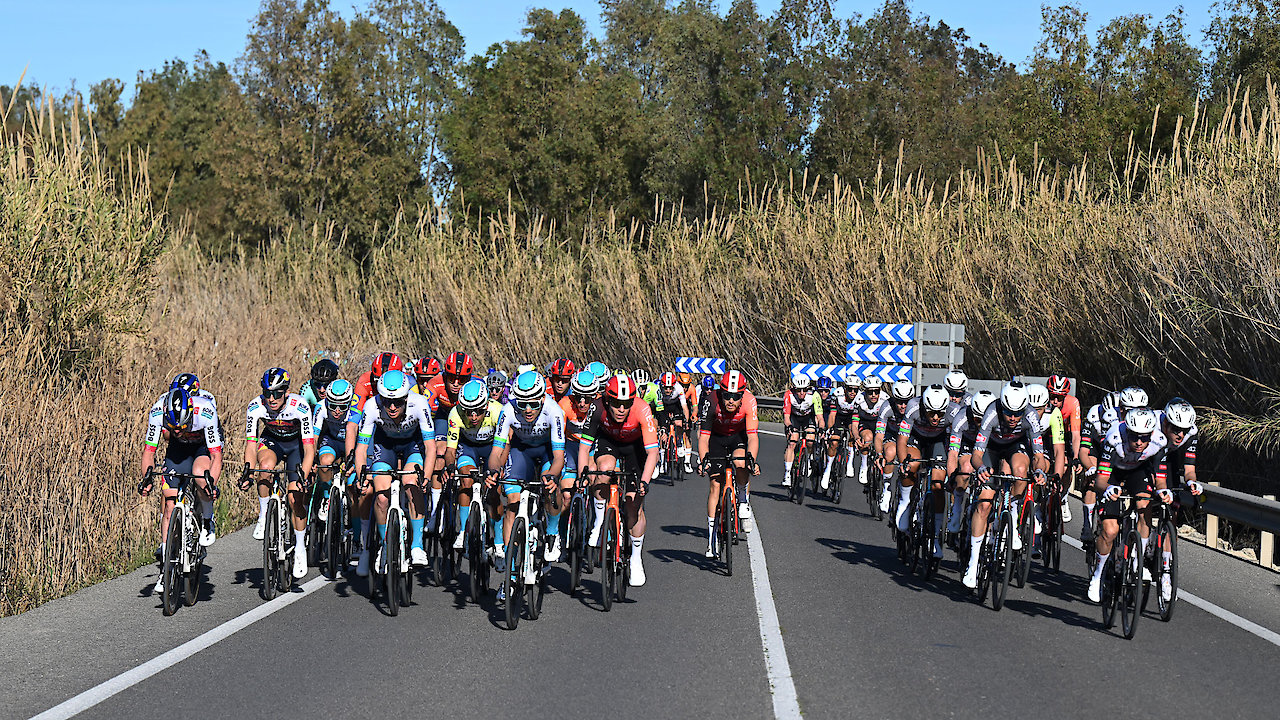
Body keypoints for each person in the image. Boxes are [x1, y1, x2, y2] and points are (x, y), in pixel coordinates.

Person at [488, 371, 566, 599]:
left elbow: (559, 457)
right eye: (523, 403)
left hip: (548, 454)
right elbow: (496, 452)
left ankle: (552, 533)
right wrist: (493, 470)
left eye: (533, 403)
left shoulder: (554, 411)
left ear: (542, 398)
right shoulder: (508, 411)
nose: (528, 409)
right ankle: (511, 576)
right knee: (512, 502)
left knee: (552, 489)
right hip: (522, 453)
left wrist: (552, 475)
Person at [138, 386, 224, 592]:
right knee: (169, 502)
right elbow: (149, 451)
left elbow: (216, 457)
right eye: (172, 426)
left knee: (200, 474)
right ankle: (166, 566)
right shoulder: (158, 411)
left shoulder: (205, 411)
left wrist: (211, 485)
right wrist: (146, 478)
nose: (177, 430)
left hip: (202, 447)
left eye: (182, 425)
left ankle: (207, 519)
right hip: (178, 450)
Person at [352, 370, 435, 576]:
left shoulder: (420, 404)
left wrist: (426, 476)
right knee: (381, 497)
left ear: (406, 397)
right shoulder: (372, 406)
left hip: (412, 446)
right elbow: (361, 448)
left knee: (411, 481)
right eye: (387, 401)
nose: (391, 407)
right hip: (385, 446)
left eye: (397, 402)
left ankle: (416, 545)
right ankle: (384, 544)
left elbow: (431, 447)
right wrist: (362, 475)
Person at [961, 383, 1044, 588]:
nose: (1013, 418)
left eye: (1018, 414)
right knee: (984, 504)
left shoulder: (1030, 415)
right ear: (1002, 407)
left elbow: (1039, 454)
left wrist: (1040, 470)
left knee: (1020, 472)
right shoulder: (991, 412)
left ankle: (1013, 513)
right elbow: (977, 455)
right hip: (991, 448)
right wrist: (980, 469)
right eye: (1008, 413)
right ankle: (973, 563)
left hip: (1015, 446)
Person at [579, 374, 659, 586]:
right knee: (602, 470)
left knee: (634, 507)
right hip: (609, 442)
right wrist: (582, 475)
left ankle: (635, 557)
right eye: (616, 404)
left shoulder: (642, 409)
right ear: (607, 401)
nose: (622, 409)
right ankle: (599, 520)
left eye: (626, 404)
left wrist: (644, 482)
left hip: (636, 448)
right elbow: (585, 447)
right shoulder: (596, 408)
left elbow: (653, 453)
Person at [240, 368, 316, 580]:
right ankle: (265, 514)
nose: (271, 398)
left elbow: (310, 449)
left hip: (296, 446)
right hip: (272, 441)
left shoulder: (299, 406)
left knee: (295, 498)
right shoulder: (256, 405)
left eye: (277, 393)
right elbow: (251, 445)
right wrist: (248, 470)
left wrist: (304, 475)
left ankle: (300, 547)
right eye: (267, 393)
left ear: (287, 392)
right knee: (264, 467)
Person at [1086, 408, 1168, 603]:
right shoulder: (1114, 437)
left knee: (1144, 505)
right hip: (1113, 473)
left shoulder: (1159, 442)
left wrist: (1163, 491)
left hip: (1138, 472)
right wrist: (1108, 489)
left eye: (1144, 438)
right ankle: (1097, 575)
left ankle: (1138, 561)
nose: (1139, 443)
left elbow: (1161, 479)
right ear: (1127, 432)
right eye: (1134, 438)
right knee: (1110, 530)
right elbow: (1100, 480)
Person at [698, 370, 759, 553]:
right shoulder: (711, 401)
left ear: (742, 395)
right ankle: (711, 538)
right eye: (727, 396)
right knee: (715, 484)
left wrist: (752, 461)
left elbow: (753, 437)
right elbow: (703, 438)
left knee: (741, 463)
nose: (731, 400)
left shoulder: (749, 401)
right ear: (721, 392)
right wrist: (703, 462)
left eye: (736, 396)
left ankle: (742, 498)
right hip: (716, 437)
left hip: (738, 437)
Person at [443, 379, 503, 551]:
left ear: (486, 405)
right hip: (468, 448)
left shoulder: (498, 411)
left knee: (494, 492)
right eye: (469, 412)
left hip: (492, 448)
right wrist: (450, 466)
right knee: (466, 481)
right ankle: (463, 531)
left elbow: (505, 446)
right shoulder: (455, 414)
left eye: (478, 411)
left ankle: (498, 540)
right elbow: (450, 450)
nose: (474, 416)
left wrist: (501, 467)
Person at [895, 385, 952, 559]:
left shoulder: (954, 412)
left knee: (938, 484)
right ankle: (905, 501)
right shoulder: (913, 407)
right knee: (911, 465)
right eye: (931, 413)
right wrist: (904, 463)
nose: (935, 417)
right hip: (916, 438)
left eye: (940, 414)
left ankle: (934, 537)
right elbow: (902, 438)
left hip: (938, 442)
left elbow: (955, 444)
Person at [423, 352, 474, 534]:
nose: (455, 383)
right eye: (451, 378)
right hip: (444, 418)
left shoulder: (476, 385)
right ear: (445, 376)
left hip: (467, 419)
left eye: (461, 380)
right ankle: (436, 511)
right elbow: (424, 410)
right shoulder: (434, 383)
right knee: (439, 452)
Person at [873, 380, 914, 513]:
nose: (902, 406)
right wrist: (879, 454)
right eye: (899, 402)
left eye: (906, 402)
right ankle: (887, 488)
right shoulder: (886, 407)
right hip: (891, 434)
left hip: (910, 436)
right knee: (890, 452)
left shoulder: (915, 408)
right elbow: (879, 435)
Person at [781, 374, 825, 487]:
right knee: (792, 442)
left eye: (804, 390)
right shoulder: (788, 395)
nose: (801, 393)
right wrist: (789, 426)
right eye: (798, 390)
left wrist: (821, 428)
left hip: (808, 418)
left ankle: (808, 459)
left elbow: (820, 417)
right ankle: (787, 473)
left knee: (810, 440)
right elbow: (786, 417)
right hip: (793, 418)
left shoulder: (814, 395)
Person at [656, 372, 692, 473]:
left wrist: (686, 421)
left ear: (674, 386)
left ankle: (680, 443)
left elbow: (684, 407)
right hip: (662, 406)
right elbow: (658, 410)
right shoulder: (658, 389)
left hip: (675, 405)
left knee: (679, 423)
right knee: (662, 429)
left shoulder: (679, 388)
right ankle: (662, 461)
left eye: (670, 388)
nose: (668, 390)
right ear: (662, 385)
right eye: (666, 388)